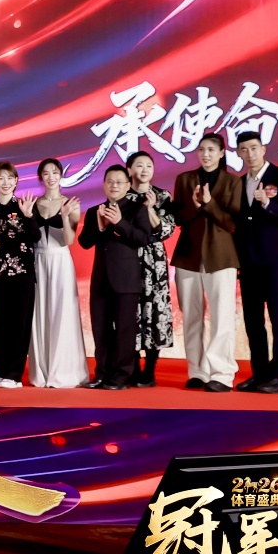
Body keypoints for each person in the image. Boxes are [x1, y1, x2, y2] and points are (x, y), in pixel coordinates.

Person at [171, 133, 242, 392]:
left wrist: (209, 203)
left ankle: (222, 374)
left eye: (211, 150)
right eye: (202, 150)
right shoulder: (185, 179)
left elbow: (231, 222)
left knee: (222, 317)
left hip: (221, 256)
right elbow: (178, 217)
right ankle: (197, 371)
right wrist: (194, 205)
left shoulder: (233, 182)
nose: (206, 154)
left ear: (222, 153)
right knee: (191, 316)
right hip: (188, 254)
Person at [234, 131, 278, 394]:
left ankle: (277, 376)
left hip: (274, 258)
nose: (249, 154)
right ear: (239, 153)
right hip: (248, 260)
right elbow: (239, 224)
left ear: (263, 149)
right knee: (253, 320)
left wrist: (268, 204)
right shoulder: (240, 182)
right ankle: (260, 373)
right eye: (244, 149)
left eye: (253, 148)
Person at [79, 166, 154, 390]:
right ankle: (102, 373)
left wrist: (120, 223)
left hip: (126, 280)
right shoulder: (95, 211)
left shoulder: (137, 209)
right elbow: (84, 242)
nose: (114, 186)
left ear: (128, 185)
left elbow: (143, 239)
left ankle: (122, 375)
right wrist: (101, 228)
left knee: (124, 330)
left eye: (119, 182)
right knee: (101, 329)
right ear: (103, 184)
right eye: (110, 181)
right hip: (100, 279)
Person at [27, 158, 88, 388]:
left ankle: (63, 371)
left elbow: (70, 240)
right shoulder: (33, 204)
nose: (51, 177)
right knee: (39, 312)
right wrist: (26, 215)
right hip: (37, 260)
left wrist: (64, 216)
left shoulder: (71, 204)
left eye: (55, 172)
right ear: (40, 177)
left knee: (62, 312)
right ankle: (42, 371)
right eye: (46, 173)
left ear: (61, 176)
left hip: (60, 260)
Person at [0, 161, 41, 388]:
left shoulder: (25, 206)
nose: (5, 182)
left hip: (22, 274)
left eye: (10, 178)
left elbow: (36, 237)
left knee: (19, 324)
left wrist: (28, 216)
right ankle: (0, 372)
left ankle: (14, 374)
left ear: (16, 181)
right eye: (1, 178)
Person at [124, 151, 176, 388]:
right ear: (129, 170)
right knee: (131, 311)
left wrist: (150, 209)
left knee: (155, 310)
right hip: (129, 256)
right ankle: (133, 367)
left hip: (154, 260)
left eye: (148, 166)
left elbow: (166, 230)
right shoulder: (122, 195)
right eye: (139, 165)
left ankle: (151, 369)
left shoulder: (163, 196)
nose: (144, 170)